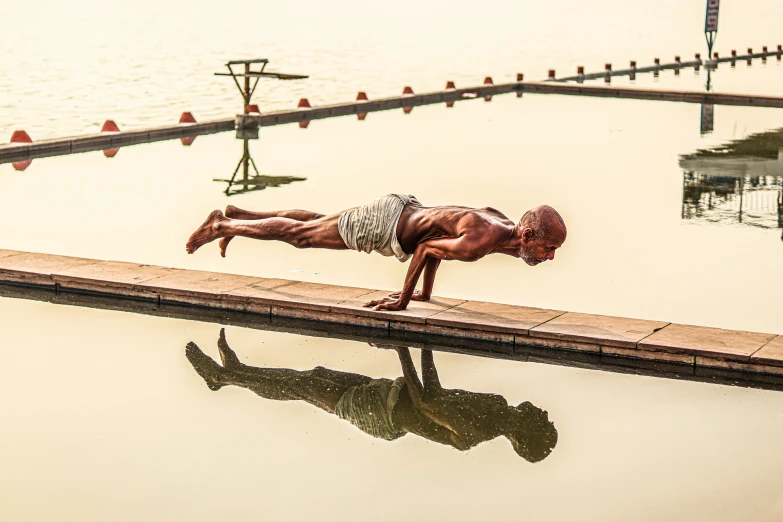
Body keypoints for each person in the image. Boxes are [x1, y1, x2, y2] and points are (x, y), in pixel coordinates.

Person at [186, 329, 558, 462]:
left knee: (302, 387)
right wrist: (424, 344)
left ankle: (224, 377)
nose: (542, 411)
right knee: (311, 376)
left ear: (523, 433)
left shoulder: (477, 430)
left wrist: (403, 348)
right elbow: (437, 392)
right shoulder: (494, 405)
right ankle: (235, 372)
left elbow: (428, 404)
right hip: (394, 393)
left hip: (382, 414)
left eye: (542, 420)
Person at [185, 194, 566, 311]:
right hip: (385, 225)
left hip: (401, 210)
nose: (550, 257)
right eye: (549, 249)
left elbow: (435, 242)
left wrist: (425, 295)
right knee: (304, 236)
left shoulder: (502, 227)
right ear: (529, 233)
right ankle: (222, 226)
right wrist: (403, 300)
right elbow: (429, 248)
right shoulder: (484, 240)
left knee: (315, 222)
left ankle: (241, 215)